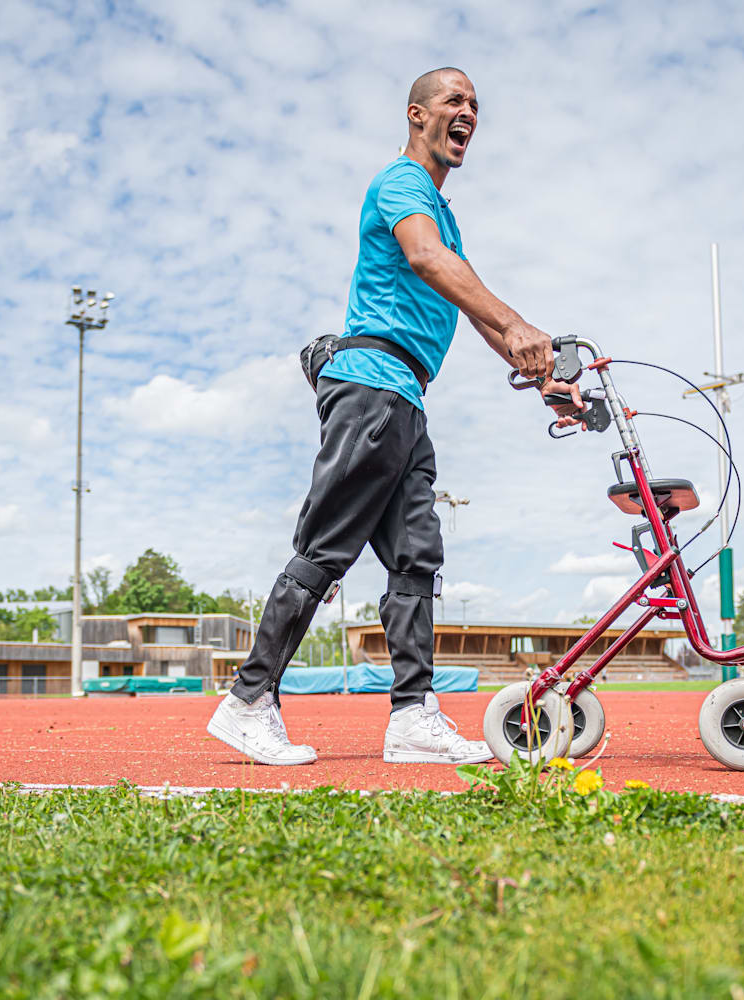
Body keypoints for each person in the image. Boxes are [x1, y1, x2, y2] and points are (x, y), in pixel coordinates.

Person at [207, 67, 584, 765]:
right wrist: (520, 322)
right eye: (454, 99)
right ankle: (248, 700)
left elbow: (467, 302)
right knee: (326, 548)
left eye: (475, 103)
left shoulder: (446, 217)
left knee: (416, 559)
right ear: (418, 115)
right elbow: (426, 259)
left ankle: (413, 716)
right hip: (370, 386)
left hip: (407, 399)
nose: (469, 110)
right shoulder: (401, 186)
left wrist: (540, 378)